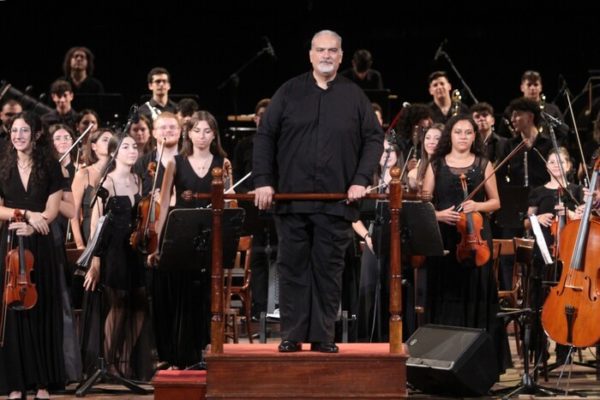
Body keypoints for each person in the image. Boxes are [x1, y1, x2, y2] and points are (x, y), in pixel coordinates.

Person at [253, 29, 383, 353]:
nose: (326, 55)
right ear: (310, 55)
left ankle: (324, 336)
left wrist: (360, 179)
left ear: (341, 56)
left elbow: (373, 139)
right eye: (320, 50)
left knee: (329, 269)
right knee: (293, 267)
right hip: (292, 200)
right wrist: (263, 180)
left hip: (336, 201)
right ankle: (293, 334)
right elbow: (265, 136)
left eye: (332, 50)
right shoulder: (288, 92)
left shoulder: (354, 97)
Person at [422, 114, 509, 376]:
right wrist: (438, 215)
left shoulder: (484, 163)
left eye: (468, 132)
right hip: (446, 240)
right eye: (458, 132)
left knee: (477, 295)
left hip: (475, 238)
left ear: (475, 136)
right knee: (446, 294)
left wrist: (477, 205)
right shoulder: (435, 165)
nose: (463, 136)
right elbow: (425, 203)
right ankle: (441, 362)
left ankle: (478, 365)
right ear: (450, 135)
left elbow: (496, 202)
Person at [152, 111, 231, 368]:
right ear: (188, 133)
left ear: (214, 134)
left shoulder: (223, 162)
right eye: (197, 130)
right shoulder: (175, 162)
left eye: (208, 131)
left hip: (211, 237)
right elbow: (164, 204)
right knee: (181, 293)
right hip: (180, 235)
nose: (202, 136)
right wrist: (156, 241)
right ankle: (180, 356)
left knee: (206, 293)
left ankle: (206, 350)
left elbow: (229, 201)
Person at [0, 112, 65, 400]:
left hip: (40, 243)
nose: (18, 136)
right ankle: (16, 382)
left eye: (24, 130)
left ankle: (41, 382)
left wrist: (36, 223)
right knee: (13, 311)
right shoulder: (2, 164)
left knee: (41, 309)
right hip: (11, 242)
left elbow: (52, 210)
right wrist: (25, 215)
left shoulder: (50, 165)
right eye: (14, 131)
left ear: (36, 134)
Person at [82, 134, 153, 380]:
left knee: (140, 304)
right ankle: (109, 362)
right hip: (113, 251)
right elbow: (95, 226)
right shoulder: (107, 183)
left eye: (135, 146)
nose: (133, 150)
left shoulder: (139, 179)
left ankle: (124, 359)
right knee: (120, 305)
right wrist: (95, 260)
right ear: (114, 152)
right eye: (126, 146)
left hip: (135, 249)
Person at [70, 129, 114, 249]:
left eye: (112, 141)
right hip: (90, 231)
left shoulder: (117, 172)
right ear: (94, 146)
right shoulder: (83, 174)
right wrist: (79, 244)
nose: (110, 143)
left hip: (114, 230)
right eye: (105, 140)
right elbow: (74, 215)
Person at [133, 112, 181, 198]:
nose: (168, 130)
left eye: (172, 127)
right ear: (154, 133)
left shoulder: (191, 160)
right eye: (163, 127)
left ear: (180, 131)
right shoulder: (142, 163)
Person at [407, 123, 443, 191]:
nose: (431, 142)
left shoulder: (445, 167)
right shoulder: (421, 165)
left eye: (437, 139)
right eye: (428, 138)